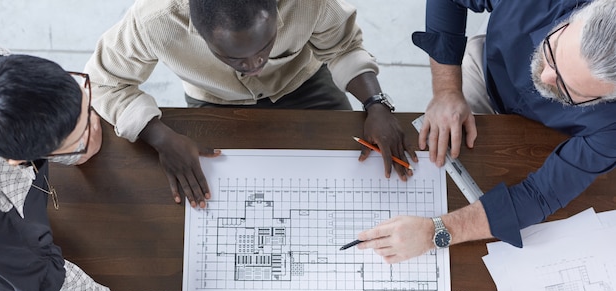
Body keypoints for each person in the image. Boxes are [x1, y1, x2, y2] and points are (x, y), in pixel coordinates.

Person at [84, 0, 415, 210]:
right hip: (214, 102)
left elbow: (343, 46)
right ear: (198, 32)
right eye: (234, 58)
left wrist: (375, 104)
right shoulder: (153, 21)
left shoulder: (307, 3)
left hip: (304, 84)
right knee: (220, 197)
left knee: (350, 173)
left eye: (267, 46)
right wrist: (160, 137)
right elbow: (103, 82)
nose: (255, 64)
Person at [356, 0, 616, 263]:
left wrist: (433, 232)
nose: (545, 76)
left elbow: (539, 195)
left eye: (569, 89)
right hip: (487, 71)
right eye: (553, 49)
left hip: (552, 136)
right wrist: (447, 90)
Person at [0, 50, 196, 291]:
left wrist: (73, 143)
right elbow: (41, 282)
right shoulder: (0, 217)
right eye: (81, 134)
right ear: (19, 160)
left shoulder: (0, 68)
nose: (94, 123)